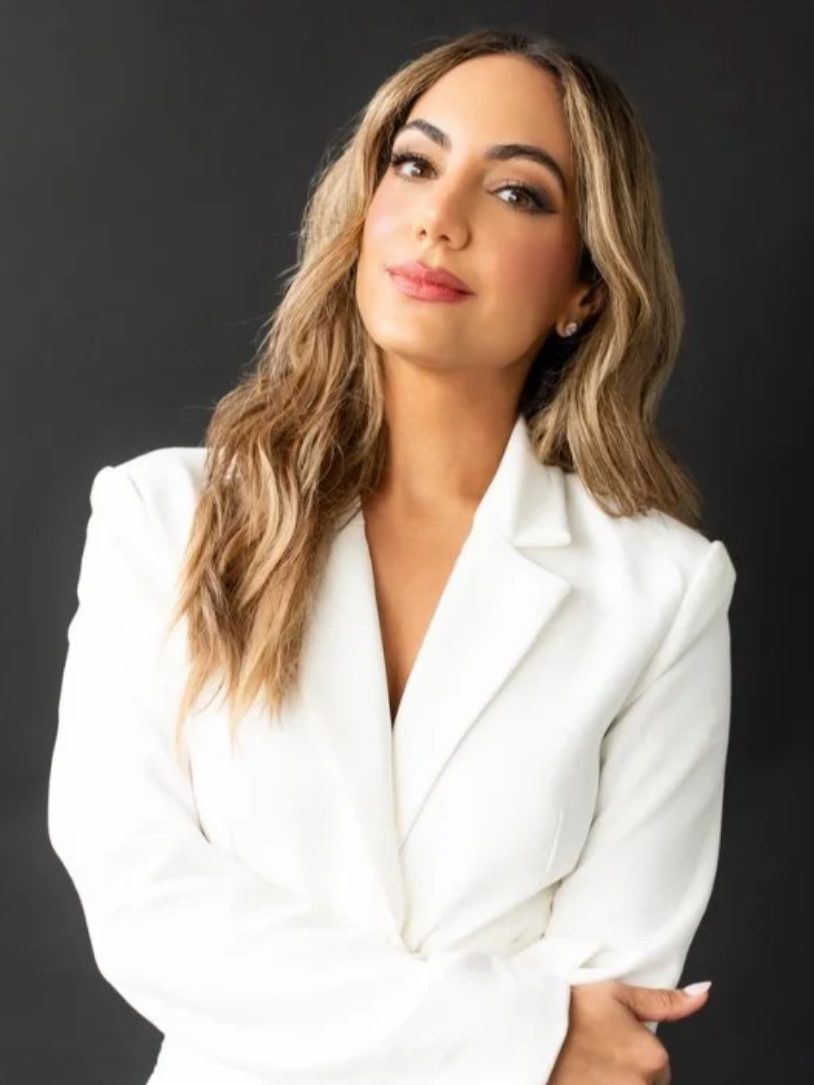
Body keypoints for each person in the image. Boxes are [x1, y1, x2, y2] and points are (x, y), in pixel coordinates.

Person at [47, 25, 736, 1085]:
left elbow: (612, 1001)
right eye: (414, 163)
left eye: (517, 193)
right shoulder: (163, 514)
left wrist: (550, 1034)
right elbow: (141, 897)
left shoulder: (662, 591)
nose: (438, 218)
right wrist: (520, 1033)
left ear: (584, 288)